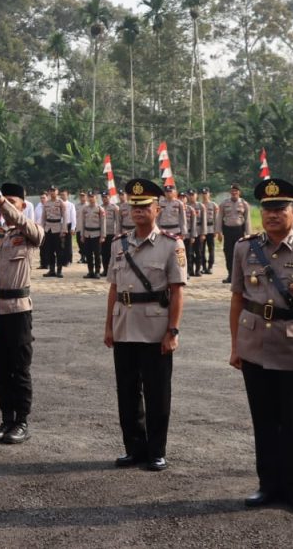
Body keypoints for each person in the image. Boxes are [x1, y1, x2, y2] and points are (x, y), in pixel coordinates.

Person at [228, 178, 293, 516]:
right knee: (264, 419)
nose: (272, 215)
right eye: (267, 209)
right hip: (254, 343)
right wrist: (235, 346)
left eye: (280, 209)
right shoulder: (245, 248)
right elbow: (238, 300)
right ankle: (268, 484)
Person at [103, 179, 186, 472]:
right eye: (134, 206)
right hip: (124, 324)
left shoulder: (170, 245)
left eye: (144, 207)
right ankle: (134, 448)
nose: (138, 211)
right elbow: (114, 288)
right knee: (126, 391)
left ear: (157, 209)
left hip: (155, 329)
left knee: (156, 392)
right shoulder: (118, 244)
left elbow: (177, 291)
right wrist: (109, 326)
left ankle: (156, 450)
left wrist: (172, 331)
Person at [0, 180, 43, 445]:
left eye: (12, 202)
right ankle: (7, 418)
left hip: (18, 311)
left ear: (23, 205)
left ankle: (21, 421)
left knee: (19, 368)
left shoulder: (30, 231)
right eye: (5, 203)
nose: (5, 208)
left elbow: (26, 226)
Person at [219, 183, 253, 283]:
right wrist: (219, 232)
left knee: (240, 253)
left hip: (239, 231)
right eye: (232, 191)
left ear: (239, 192)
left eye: (236, 191)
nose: (234, 193)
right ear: (230, 192)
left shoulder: (244, 204)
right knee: (228, 253)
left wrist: (248, 234)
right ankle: (230, 274)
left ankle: (240, 275)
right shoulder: (224, 204)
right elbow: (219, 218)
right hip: (228, 231)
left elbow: (247, 220)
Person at [41, 186, 68, 278]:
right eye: (50, 191)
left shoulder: (61, 203)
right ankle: (52, 270)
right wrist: (41, 228)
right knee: (49, 250)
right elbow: (43, 216)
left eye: (53, 191)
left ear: (57, 192)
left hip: (57, 228)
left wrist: (64, 229)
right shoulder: (46, 203)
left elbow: (65, 217)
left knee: (59, 251)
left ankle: (59, 270)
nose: (52, 193)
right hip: (48, 228)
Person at [79, 192, 106, 278]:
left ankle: (97, 271)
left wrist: (103, 236)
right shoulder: (85, 209)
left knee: (97, 254)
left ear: (96, 198)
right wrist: (82, 235)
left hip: (96, 234)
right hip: (87, 234)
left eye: (92, 197)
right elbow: (82, 223)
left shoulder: (100, 209)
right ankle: (90, 271)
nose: (91, 199)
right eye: (89, 197)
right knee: (88, 254)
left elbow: (103, 223)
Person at [200, 188, 219, 274]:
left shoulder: (213, 205)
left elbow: (216, 218)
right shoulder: (199, 205)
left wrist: (216, 230)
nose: (204, 195)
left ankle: (210, 266)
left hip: (211, 228)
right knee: (202, 249)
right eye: (203, 193)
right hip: (201, 230)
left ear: (209, 194)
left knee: (211, 249)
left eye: (206, 193)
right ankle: (203, 267)